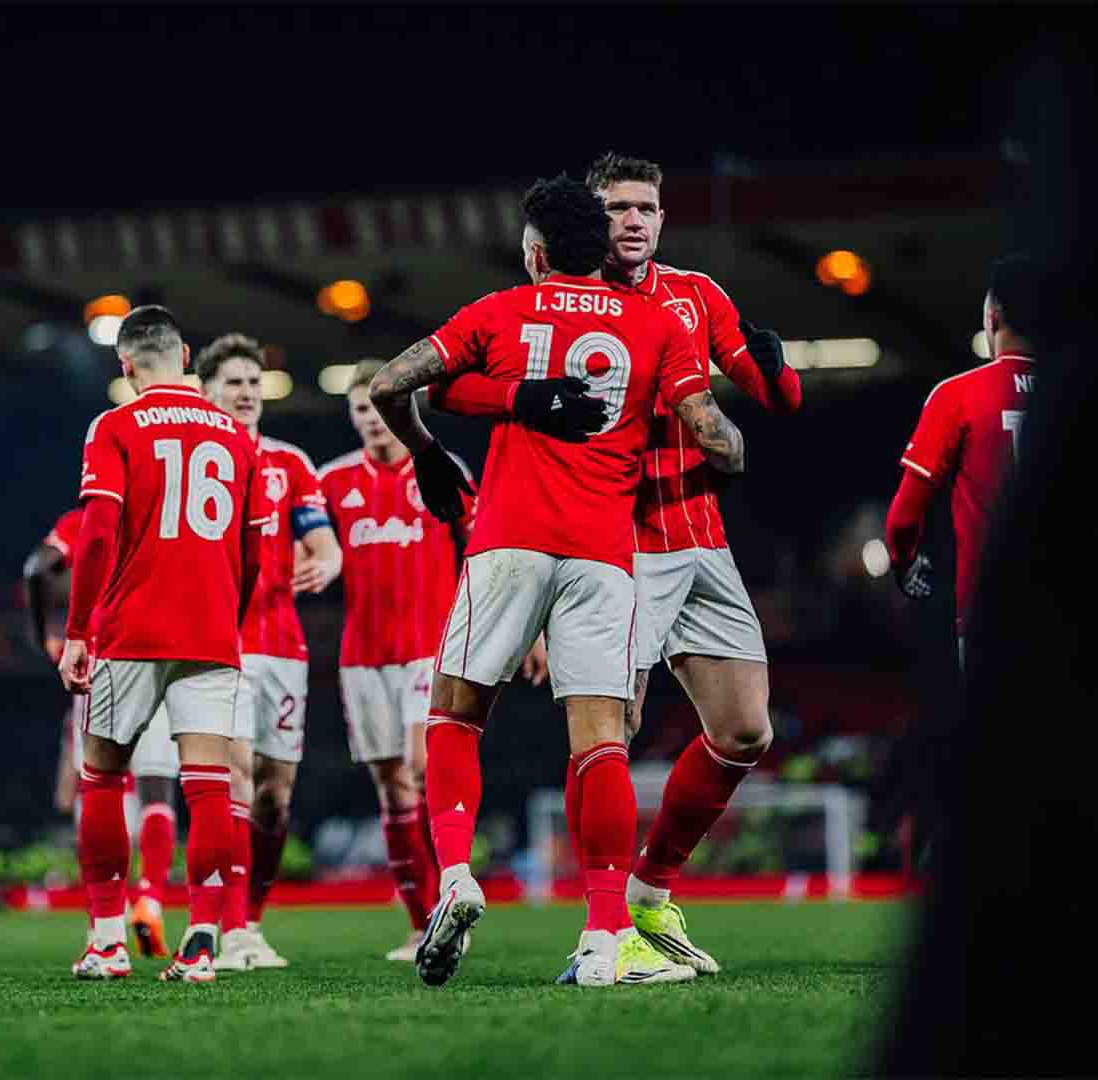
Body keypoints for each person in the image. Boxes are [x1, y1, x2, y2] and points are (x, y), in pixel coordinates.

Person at [425, 151, 803, 977]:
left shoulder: (698, 296)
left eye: (647, 208)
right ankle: (605, 934)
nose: (634, 221)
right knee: (607, 733)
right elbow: (477, 391)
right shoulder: (570, 306)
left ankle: (648, 890)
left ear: (663, 220)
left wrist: (778, 376)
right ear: (594, 227)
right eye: (618, 209)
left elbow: (767, 393)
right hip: (617, 541)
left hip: (699, 536)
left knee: (745, 730)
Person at [60, 305, 268, 984]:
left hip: (131, 628)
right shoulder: (239, 437)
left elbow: (95, 536)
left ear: (127, 366)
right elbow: (254, 552)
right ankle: (202, 941)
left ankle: (105, 941)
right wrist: (224, 614)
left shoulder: (115, 426)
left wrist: (77, 632)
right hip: (210, 631)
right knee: (209, 788)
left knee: (103, 775)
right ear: (185, 358)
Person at [318, 358, 484, 961]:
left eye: (378, 408)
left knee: (419, 770)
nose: (371, 421)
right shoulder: (331, 483)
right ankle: (423, 926)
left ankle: (451, 895)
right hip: (363, 657)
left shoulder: (440, 470)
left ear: (402, 410)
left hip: (428, 650)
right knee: (392, 791)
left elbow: (484, 542)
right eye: (359, 410)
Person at [193, 333, 341, 972]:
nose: (248, 394)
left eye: (255, 383)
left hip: (283, 645)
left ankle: (250, 921)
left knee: (275, 799)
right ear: (208, 392)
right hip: (218, 643)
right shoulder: (194, 460)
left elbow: (322, 540)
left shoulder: (292, 464)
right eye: (235, 383)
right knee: (236, 781)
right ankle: (231, 931)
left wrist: (329, 562)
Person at [25, 509, 180, 957]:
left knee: (99, 790)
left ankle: (102, 926)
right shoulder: (171, 509)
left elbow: (37, 568)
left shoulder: (84, 519)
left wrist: (46, 636)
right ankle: (150, 897)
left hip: (102, 661)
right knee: (157, 790)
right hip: (163, 654)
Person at [885, 254, 1043, 668]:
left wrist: (905, 562)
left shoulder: (957, 396)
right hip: (1071, 617)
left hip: (990, 615)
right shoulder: (1076, 393)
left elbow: (903, 517)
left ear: (992, 317)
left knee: (1003, 733)